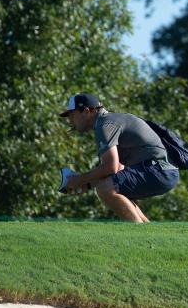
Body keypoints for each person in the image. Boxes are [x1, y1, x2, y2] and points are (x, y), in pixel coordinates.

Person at [59, 93, 179, 223]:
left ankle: (141, 236)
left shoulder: (105, 125)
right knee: (115, 186)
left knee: (105, 188)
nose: (70, 120)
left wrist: (78, 180)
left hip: (159, 170)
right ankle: (148, 232)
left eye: (72, 115)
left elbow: (110, 167)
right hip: (164, 171)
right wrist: (86, 184)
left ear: (87, 111)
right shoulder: (109, 120)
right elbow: (117, 169)